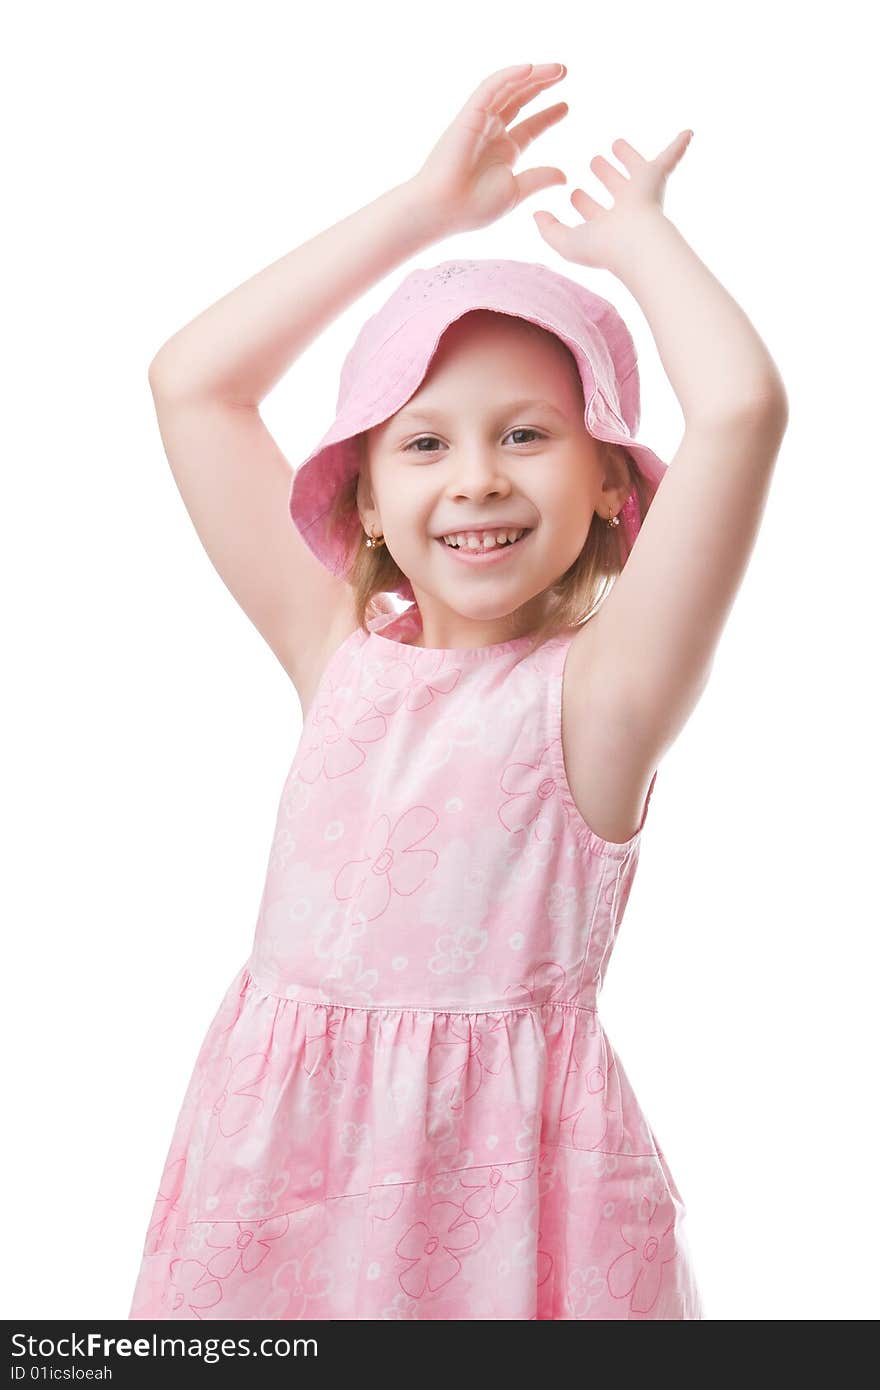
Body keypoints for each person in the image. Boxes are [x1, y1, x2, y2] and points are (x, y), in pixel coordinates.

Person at [128, 62, 788, 1321]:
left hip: (505, 1206)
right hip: (277, 1182)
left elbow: (743, 409)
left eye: (526, 434)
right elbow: (190, 382)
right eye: (424, 442)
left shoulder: (599, 701)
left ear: (608, 482)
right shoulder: (337, 651)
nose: (475, 478)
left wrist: (641, 245)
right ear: (365, 496)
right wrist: (423, 210)